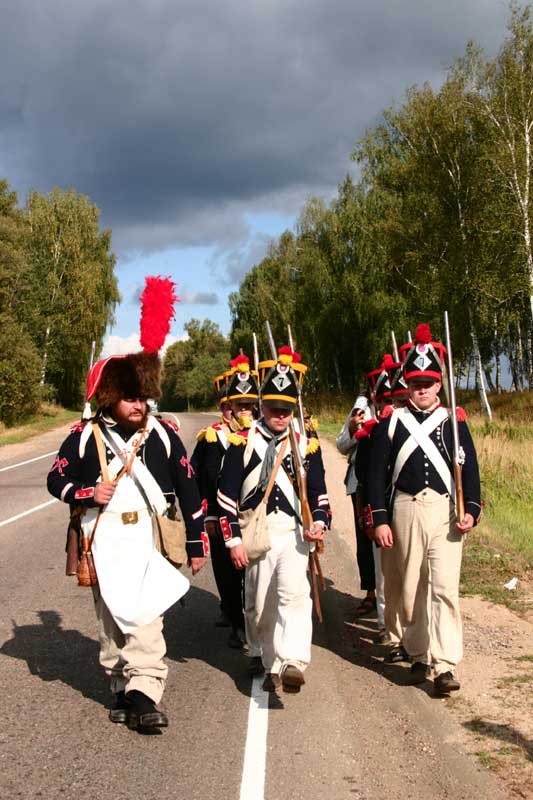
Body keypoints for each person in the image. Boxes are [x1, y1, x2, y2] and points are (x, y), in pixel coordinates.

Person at [47, 277, 208, 730]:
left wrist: (196, 543)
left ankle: (144, 693)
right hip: (102, 540)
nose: (139, 405)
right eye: (130, 398)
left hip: (148, 540)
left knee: (146, 618)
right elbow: (56, 479)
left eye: (143, 397)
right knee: (111, 622)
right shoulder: (84, 438)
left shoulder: (163, 435)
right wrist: (86, 492)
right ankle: (120, 685)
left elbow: (189, 489)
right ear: (110, 398)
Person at [366, 324, 481, 696]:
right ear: (408, 384)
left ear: (438, 384)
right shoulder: (391, 422)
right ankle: (418, 654)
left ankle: (445, 665)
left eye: (429, 383)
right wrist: (380, 519)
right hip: (406, 508)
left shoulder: (453, 421)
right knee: (412, 587)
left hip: (445, 511)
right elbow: (375, 475)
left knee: (445, 588)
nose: (423, 389)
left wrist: (471, 509)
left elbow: (470, 469)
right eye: (416, 383)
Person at [217, 346, 330, 694]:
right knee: (261, 605)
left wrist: (320, 521)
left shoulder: (305, 444)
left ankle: (292, 661)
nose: (280, 415)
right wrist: (233, 540)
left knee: (295, 597)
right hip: (257, 532)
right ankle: (268, 660)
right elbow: (226, 496)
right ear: (262, 406)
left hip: (295, 532)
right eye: (274, 408)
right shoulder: (241, 442)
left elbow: (320, 492)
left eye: (286, 409)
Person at [193, 356, 259, 647]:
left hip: (254, 516)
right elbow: (200, 477)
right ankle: (236, 621)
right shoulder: (212, 437)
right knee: (227, 573)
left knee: (255, 573)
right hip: (221, 515)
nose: (242, 411)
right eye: (237, 405)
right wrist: (208, 515)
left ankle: (254, 624)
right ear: (227, 407)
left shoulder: (262, 435)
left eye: (248, 405)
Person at [336, 392, 376, 618]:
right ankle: (371, 592)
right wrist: (353, 430)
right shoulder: (360, 408)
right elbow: (341, 445)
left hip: (390, 480)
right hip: (359, 482)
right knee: (364, 538)